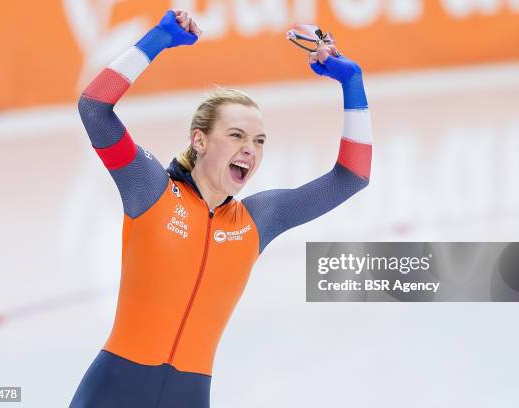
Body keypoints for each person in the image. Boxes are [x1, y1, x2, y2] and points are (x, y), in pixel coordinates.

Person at [70, 8, 372, 408]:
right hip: (114, 390)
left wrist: (352, 82)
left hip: (189, 396)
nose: (250, 148)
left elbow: (352, 176)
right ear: (200, 141)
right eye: (236, 135)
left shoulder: (258, 219)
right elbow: (94, 108)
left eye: (260, 140)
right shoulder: (151, 190)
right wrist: (158, 39)